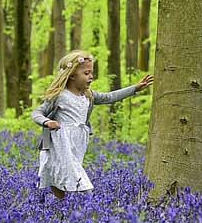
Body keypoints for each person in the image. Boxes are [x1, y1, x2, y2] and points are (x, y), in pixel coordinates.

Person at [32, 50, 153, 197]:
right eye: (86, 73)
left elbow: (110, 97)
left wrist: (134, 88)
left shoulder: (88, 96)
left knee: (63, 177)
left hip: (78, 143)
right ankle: (89, 202)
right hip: (60, 143)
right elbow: (37, 113)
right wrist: (47, 122)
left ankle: (63, 209)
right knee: (79, 180)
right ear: (71, 75)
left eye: (91, 73)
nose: (91, 77)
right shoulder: (59, 96)